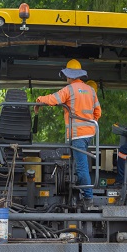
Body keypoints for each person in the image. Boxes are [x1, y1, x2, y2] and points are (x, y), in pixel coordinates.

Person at [35, 59, 101, 206]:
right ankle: (80, 193)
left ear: (69, 75)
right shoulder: (90, 90)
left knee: (81, 167)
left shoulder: (69, 89)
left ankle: (88, 198)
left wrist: (39, 99)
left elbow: (53, 99)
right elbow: (98, 112)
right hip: (89, 134)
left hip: (77, 135)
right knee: (79, 165)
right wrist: (90, 124)